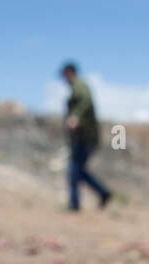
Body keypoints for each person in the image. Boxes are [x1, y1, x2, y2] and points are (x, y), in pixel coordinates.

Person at [60, 61, 111, 211]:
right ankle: (102, 193)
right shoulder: (76, 87)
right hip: (81, 138)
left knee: (74, 170)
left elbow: (86, 101)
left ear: (70, 73)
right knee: (77, 170)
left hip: (84, 138)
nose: (64, 79)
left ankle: (75, 205)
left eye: (64, 76)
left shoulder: (80, 86)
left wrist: (75, 116)